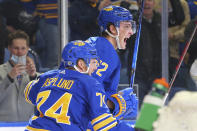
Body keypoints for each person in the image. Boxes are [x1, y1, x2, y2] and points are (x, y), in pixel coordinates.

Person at [24, 40, 135, 131]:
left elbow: (28, 93)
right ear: (81, 64)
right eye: (93, 62)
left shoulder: (47, 76)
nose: (95, 67)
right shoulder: (91, 83)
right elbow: (105, 127)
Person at [86, 5, 138, 119]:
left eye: (131, 27)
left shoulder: (95, 44)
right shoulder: (105, 50)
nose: (131, 32)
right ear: (113, 29)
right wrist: (117, 104)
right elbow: (87, 93)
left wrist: (115, 98)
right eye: (127, 27)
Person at [0, 30, 38, 122]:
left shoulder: (34, 75)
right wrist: (9, 78)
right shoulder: (0, 71)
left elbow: (41, 100)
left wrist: (33, 77)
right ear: (9, 48)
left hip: (27, 125)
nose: (20, 52)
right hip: (4, 126)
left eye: (23, 48)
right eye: (16, 48)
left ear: (28, 48)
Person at [20, 0, 59, 69]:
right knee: (55, 57)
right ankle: (51, 78)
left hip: (64, 17)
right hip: (48, 18)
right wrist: (31, 11)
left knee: (61, 55)